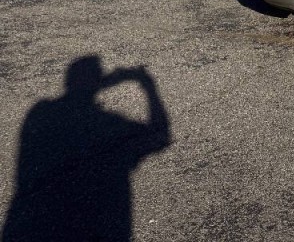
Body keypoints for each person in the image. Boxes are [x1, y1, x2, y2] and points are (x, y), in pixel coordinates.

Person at [2, 56, 171, 242]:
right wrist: (147, 85)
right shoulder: (107, 123)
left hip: (31, 223)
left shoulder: (40, 111)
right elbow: (160, 135)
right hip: (98, 223)